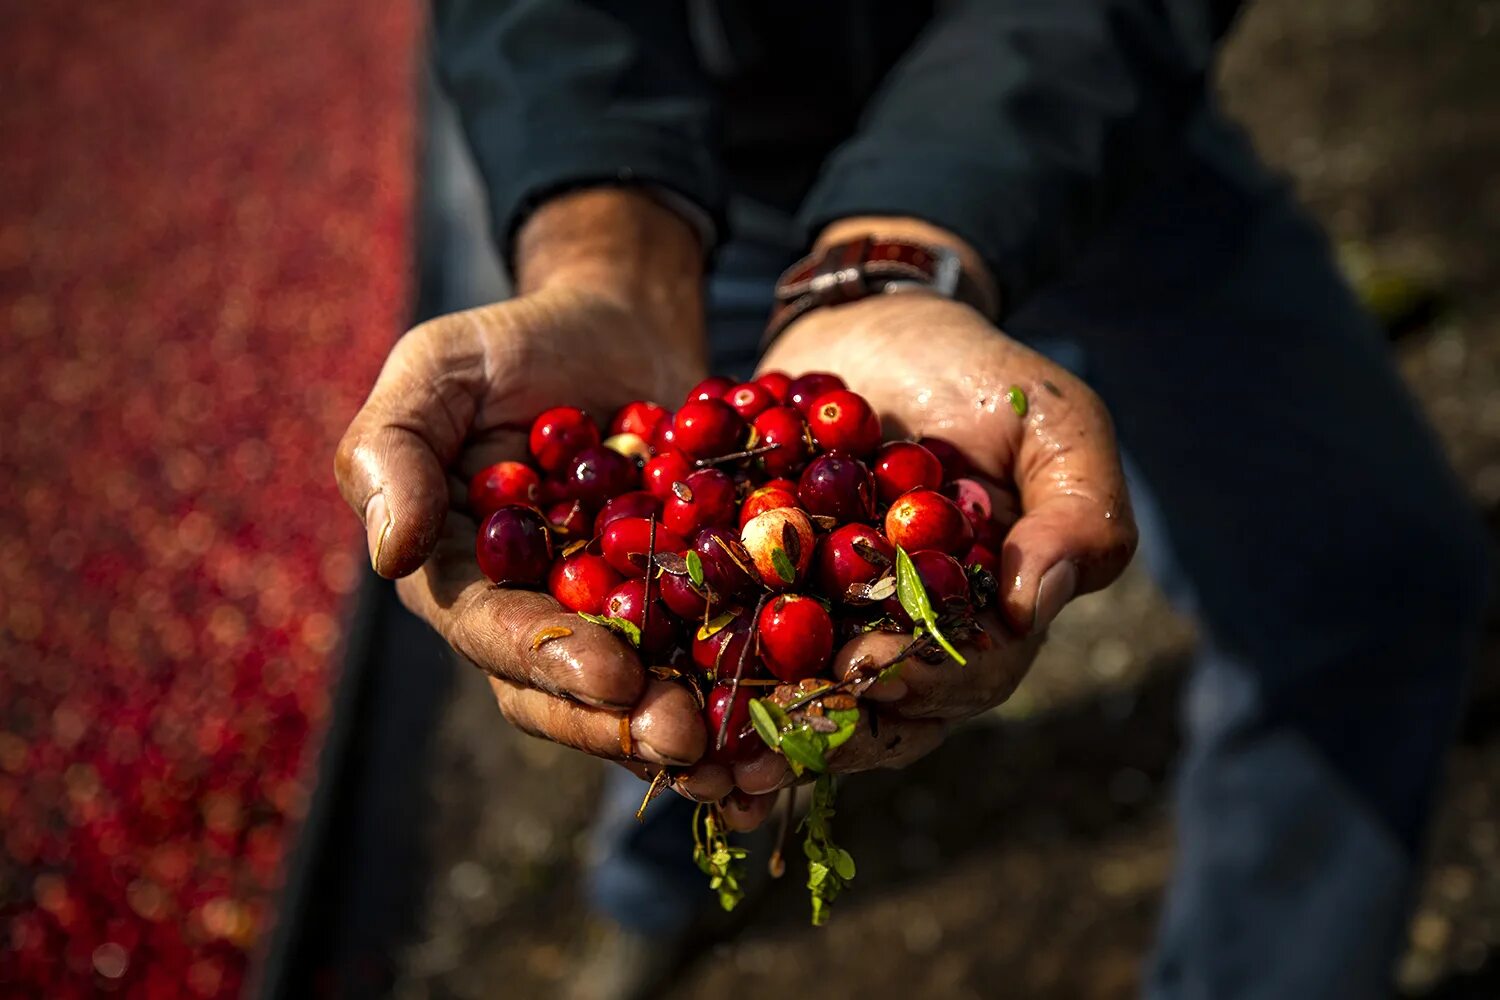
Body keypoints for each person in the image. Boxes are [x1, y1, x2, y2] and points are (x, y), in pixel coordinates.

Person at [333, 3, 1491, 997]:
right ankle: (644, 898)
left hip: (1090, 131)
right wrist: (608, 256)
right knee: (663, 677)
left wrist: (917, 234)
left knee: (1364, 573)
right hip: (691, 191)